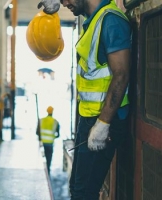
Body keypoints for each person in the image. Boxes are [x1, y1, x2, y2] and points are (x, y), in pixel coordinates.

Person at [39, 0, 131, 199]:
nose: (64, 3)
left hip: (105, 121)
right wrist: (51, 13)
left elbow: (121, 74)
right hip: (89, 118)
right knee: (77, 188)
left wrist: (103, 123)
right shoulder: (93, 21)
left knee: (83, 193)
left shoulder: (111, 21)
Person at [36, 106, 60, 175]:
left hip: (42, 143)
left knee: (41, 160)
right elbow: (58, 135)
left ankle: (42, 172)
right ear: (52, 112)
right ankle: (48, 173)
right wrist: (52, 137)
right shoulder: (55, 122)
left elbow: (37, 133)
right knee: (48, 160)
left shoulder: (41, 120)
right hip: (50, 144)